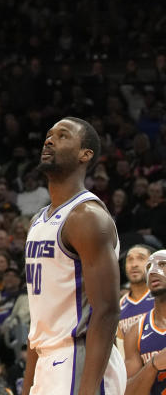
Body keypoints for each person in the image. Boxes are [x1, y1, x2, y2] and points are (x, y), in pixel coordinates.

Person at [23, 117, 126, 395]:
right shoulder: (38, 221)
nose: (49, 140)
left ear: (85, 154)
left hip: (79, 360)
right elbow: (41, 319)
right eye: (48, 134)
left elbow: (107, 310)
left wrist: (88, 390)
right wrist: (29, 385)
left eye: (63, 135)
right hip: (48, 360)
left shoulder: (87, 217)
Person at [123, 249, 166, 395]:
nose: (153, 271)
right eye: (149, 267)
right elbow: (128, 392)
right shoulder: (134, 332)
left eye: (162, 264)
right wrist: (153, 365)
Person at [119, 245, 154, 343]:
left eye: (141, 258)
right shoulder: (119, 306)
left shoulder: (161, 298)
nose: (134, 264)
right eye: (129, 260)